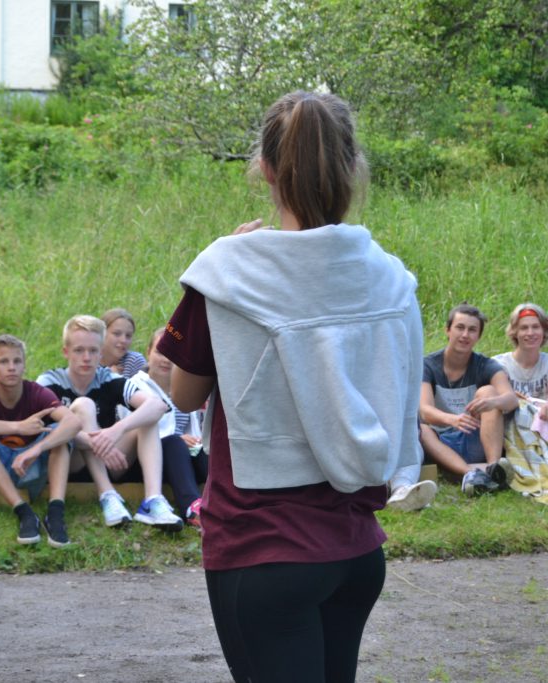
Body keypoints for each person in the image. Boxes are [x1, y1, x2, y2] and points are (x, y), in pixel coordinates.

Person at [159, 91, 423, 683]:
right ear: (353, 166)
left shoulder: (227, 272)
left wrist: (217, 272)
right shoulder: (389, 276)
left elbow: (182, 395)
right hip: (357, 550)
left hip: (263, 547)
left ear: (266, 169)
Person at [37, 315, 184, 531]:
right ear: (66, 352)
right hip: (71, 460)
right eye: (79, 350)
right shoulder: (50, 381)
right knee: (83, 405)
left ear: (101, 352)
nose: (87, 357)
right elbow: (38, 427)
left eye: (93, 351)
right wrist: (94, 440)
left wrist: (116, 431)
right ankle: (108, 495)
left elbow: (158, 405)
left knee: (147, 417)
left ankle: (152, 500)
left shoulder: (108, 378)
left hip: (111, 460)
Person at [0, 335, 81, 546]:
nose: (11, 367)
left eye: (17, 361)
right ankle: (23, 512)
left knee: (59, 432)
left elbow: (74, 423)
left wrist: (37, 448)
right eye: (3, 362)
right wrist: (17, 427)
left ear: (24, 366)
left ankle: (56, 512)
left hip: (31, 469)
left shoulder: (37, 392)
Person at [420, 303, 518, 494]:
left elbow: (511, 399)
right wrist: (452, 419)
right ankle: (472, 475)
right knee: (422, 429)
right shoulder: (428, 365)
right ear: (448, 330)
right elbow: (425, 410)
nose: (465, 335)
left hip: (475, 438)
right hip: (441, 441)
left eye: (472, 330)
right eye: (460, 327)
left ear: (478, 336)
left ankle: (492, 466)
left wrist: (494, 402)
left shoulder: (486, 365)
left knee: (489, 392)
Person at [138, 327, 205, 526]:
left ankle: (227, 503)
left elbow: (192, 429)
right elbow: (138, 433)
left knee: (205, 451)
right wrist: (178, 439)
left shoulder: (183, 391)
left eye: (174, 354)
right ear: (148, 352)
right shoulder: (135, 386)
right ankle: (192, 508)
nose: (166, 360)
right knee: (175, 443)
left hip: (182, 459)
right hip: (149, 461)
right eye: (160, 352)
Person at [492, 303, 548, 409]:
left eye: (535, 327)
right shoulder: (498, 365)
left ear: (544, 331)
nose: (530, 333)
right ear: (514, 332)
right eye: (524, 328)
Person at [100, 308, 147, 378]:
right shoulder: (89, 359)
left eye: (128, 336)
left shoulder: (134, 361)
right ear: (102, 333)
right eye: (117, 334)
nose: (123, 340)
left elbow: (145, 388)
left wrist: (117, 379)